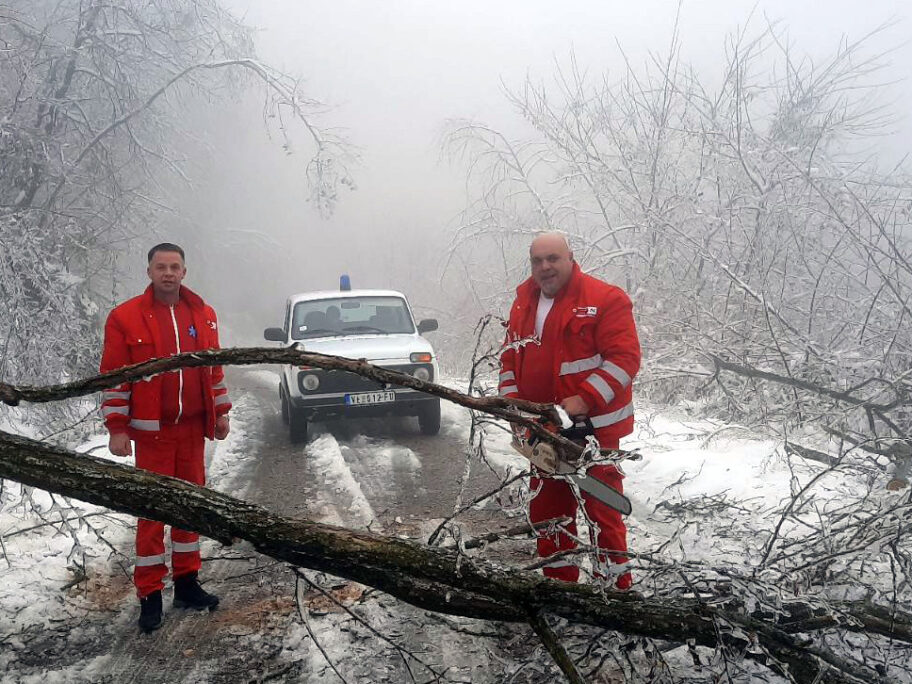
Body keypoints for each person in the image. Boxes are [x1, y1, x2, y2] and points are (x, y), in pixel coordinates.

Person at [100, 243, 232, 632]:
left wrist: (221, 414)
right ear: (149, 272)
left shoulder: (203, 314)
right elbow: (114, 377)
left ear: (185, 271)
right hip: (151, 435)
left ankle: (188, 584)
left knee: (190, 508)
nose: (169, 273)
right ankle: (149, 597)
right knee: (153, 514)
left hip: (192, 430)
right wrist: (117, 428)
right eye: (161, 267)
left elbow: (214, 371)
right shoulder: (125, 317)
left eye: (175, 266)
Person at [499, 233, 641, 589]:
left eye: (553, 258)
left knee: (604, 515)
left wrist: (584, 399)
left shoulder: (604, 299)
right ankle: (559, 587)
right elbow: (508, 358)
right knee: (548, 515)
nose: (545, 267)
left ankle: (615, 593)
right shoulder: (523, 303)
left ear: (570, 258)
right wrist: (514, 408)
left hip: (592, 432)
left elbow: (625, 359)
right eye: (537, 261)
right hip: (542, 432)